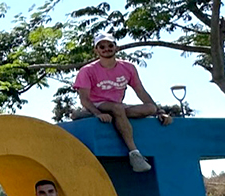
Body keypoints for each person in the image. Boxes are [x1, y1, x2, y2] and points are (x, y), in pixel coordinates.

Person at [71, 32, 172, 173]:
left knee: (149, 109)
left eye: (110, 45)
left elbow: (140, 91)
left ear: (116, 48)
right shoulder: (87, 71)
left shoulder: (128, 68)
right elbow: (84, 99)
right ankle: (134, 154)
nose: (106, 49)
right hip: (98, 104)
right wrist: (97, 113)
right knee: (117, 108)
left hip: (119, 106)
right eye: (102, 46)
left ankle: (90, 115)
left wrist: (159, 111)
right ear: (96, 50)